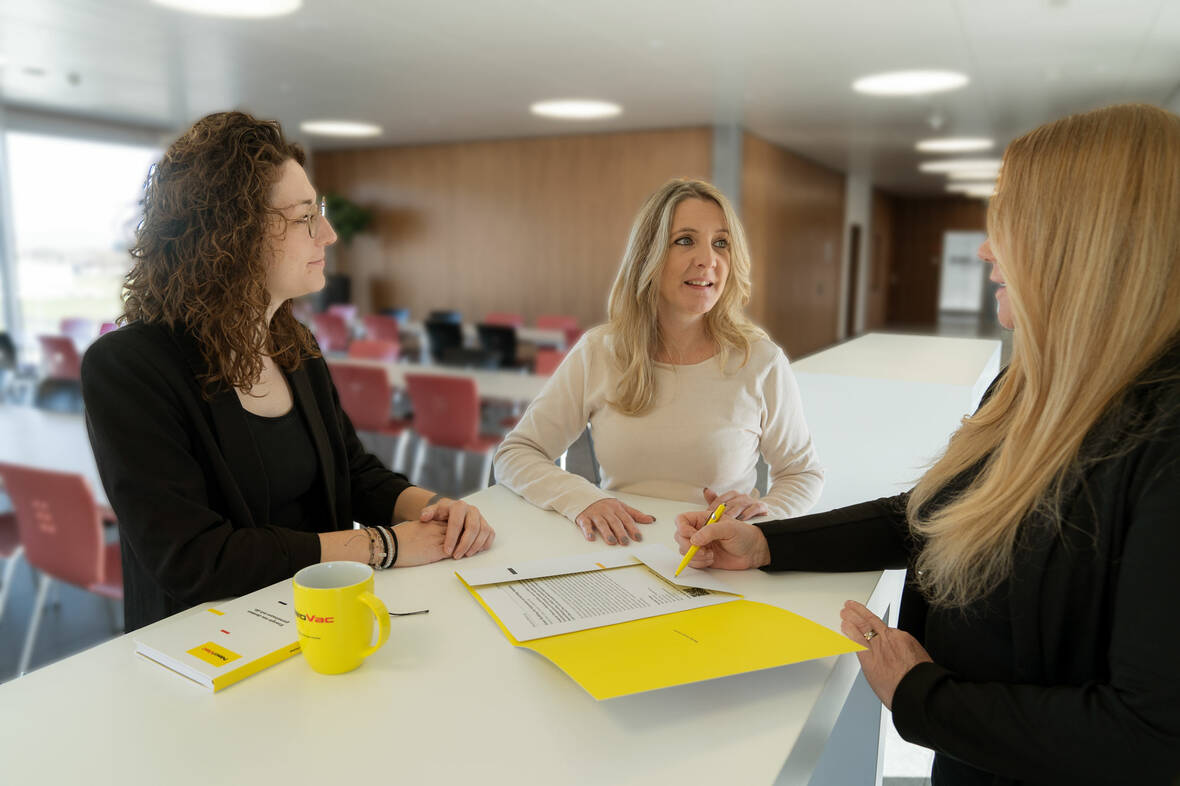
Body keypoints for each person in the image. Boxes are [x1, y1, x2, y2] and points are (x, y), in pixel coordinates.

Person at [674, 103, 1180, 784]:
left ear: (1088, 243)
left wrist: (923, 698)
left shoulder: (1164, 440)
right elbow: (931, 515)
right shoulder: (1030, 384)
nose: (984, 250)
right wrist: (768, 544)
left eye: (1009, 224)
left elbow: (1152, 739)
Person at [82, 111, 494, 632]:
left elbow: (354, 471)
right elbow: (195, 558)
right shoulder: (129, 367)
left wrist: (437, 510)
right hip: (201, 647)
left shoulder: (292, 343)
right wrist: (384, 545)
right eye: (304, 217)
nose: (328, 233)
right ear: (230, 236)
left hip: (317, 623)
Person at [494, 178, 823, 546]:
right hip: (619, 554)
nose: (708, 260)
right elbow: (516, 453)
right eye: (685, 240)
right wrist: (584, 500)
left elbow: (802, 474)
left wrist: (763, 520)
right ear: (647, 256)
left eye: (721, 243)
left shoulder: (761, 362)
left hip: (720, 561)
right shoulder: (599, 351)